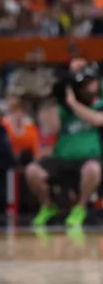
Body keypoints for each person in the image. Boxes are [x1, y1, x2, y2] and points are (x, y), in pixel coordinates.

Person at [26, 62, 102, 227]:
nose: (88, 87)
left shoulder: (98, 104)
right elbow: (49, 128)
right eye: (84, 84)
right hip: (62, 159)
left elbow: (97, 120)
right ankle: (47, 207)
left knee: (93, 169)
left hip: (88, 160)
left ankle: (80, 207)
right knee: (33, 171)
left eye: (91, 82)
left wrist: (73, 103)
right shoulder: (64, 109)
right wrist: (54, 97)